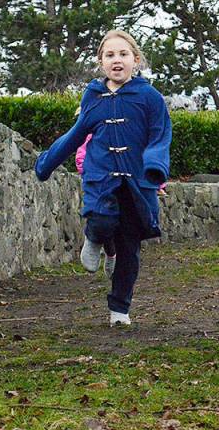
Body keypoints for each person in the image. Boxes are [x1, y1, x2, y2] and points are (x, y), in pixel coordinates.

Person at [35, 30, 172, 327]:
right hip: (100, 176)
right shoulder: (92, 96)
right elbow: (77, 133)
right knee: (101, 219)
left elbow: (160, 136)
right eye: (109, 55)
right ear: (101, 62)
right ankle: (95, 238)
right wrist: (46, 163)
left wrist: (155, 168)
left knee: (129, 249)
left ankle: (119, 310)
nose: (117, 60)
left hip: (137, 182)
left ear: (135, 60)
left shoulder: (150, 97)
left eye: (123, 54)